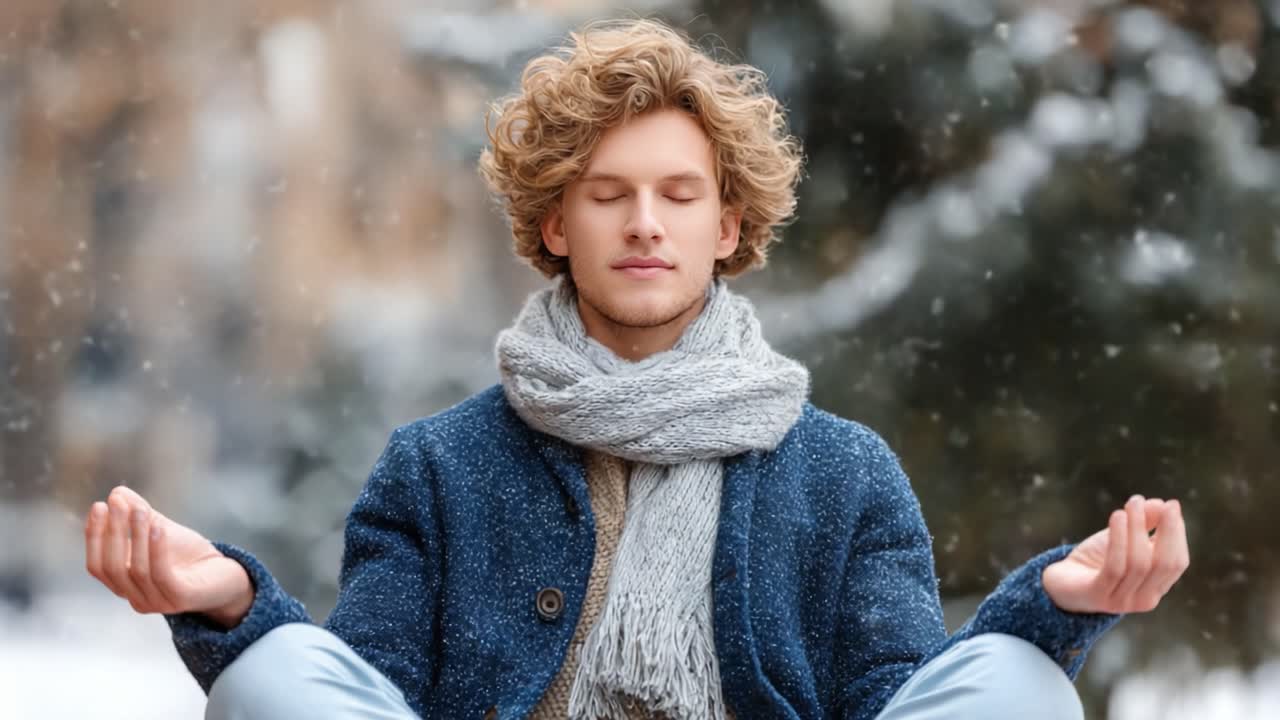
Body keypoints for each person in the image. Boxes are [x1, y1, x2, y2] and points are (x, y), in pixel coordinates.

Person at [82, 17, 1190, 720]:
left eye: (677, 193)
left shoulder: (843, 475)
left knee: (1017, 683)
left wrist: (1050, 605)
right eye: (606, 193)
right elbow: (363, 697)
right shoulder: (437, 469)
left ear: (728, 225)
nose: (643, 225)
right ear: (555, 221)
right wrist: (233, 605)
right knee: (270, 677)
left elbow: (902, 700)